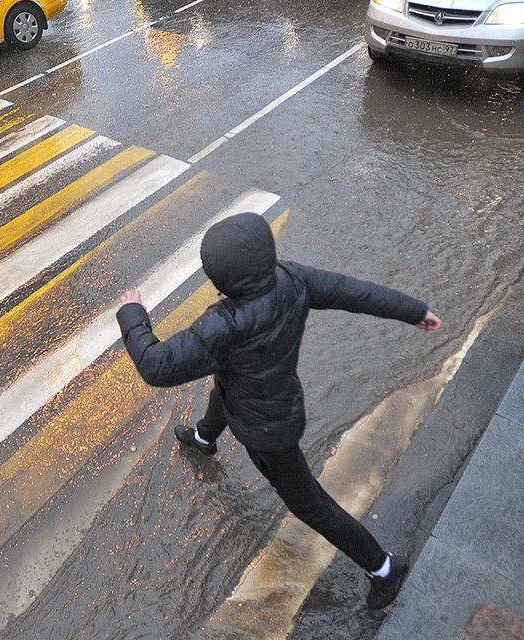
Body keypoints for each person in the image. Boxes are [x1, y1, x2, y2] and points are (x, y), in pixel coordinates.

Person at [115, 212, 441, 610]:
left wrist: (132, 314)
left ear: (222, 281)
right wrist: (413, 310)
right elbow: (355, 292)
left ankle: (384, 568)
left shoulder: (222, 325)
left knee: (310, 505)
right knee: (224, 383)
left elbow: (156, 366)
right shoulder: (292, 278)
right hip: (269, 396)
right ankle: (204, 437)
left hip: (268, 431)